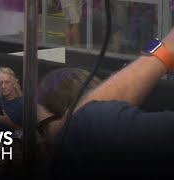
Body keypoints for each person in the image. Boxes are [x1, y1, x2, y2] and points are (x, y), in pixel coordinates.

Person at [41, 28, 174, 178]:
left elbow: (83, 126)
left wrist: (164, 50)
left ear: (65, 112)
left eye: (42, 128)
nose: (40, 140)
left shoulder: (84, 133)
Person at [0, 67, 23, 132]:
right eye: (1, 83)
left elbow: (30, 136)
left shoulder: (24, 104)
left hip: (16, 141)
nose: (3, 86)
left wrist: (9, 123)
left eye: (7, 82)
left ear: (14, 83)